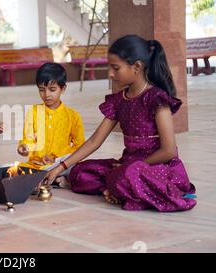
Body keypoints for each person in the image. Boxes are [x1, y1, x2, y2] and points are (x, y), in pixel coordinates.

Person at [43, 35, 197, 212]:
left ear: (137, 67)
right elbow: (94, 141)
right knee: (80, 172)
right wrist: (60, 167)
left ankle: (121, 188)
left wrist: (132, 166)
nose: (110, 73)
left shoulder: (156, 99)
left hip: (156, 167)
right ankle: (119, 190)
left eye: (115, 68)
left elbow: (168, 151)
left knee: (127, 175)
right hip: (126, 165)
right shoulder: (119, 101)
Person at [17, 62, 84, 184]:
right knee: (16, 171)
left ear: (63, 89)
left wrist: (56, 158)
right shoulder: (33, 112)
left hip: (61, 163)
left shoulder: (73, 116)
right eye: (42, 90)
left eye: (52, 89)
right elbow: (28, 139)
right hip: (37, 165)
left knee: (80, 169)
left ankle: (54, 177)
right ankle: (54, 179)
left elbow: (79, 147)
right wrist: (24, 148)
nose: (46, 95)